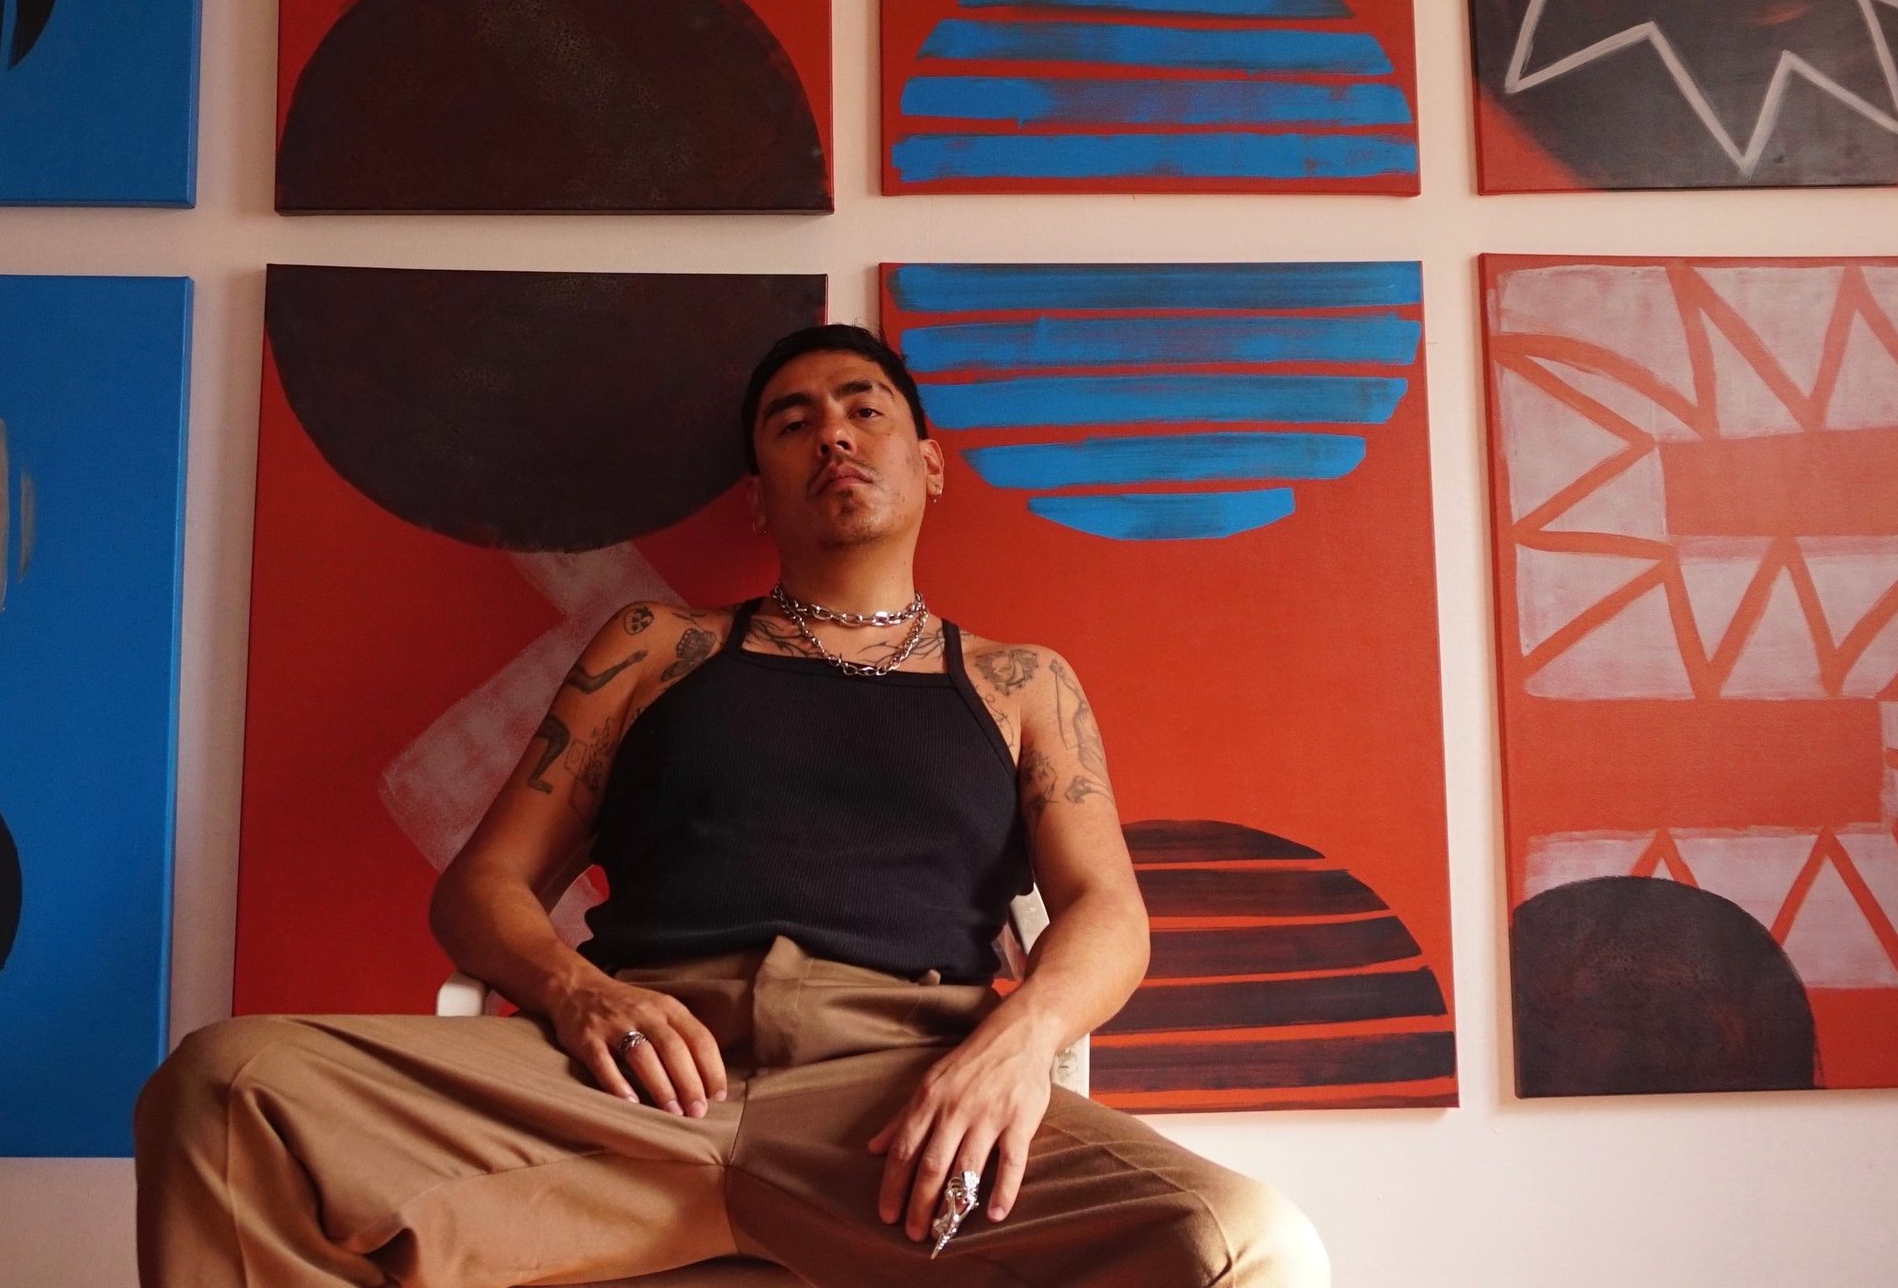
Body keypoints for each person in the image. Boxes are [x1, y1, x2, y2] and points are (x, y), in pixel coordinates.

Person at [135, 324, 1329, 1286]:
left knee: (1240, 1244)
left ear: (930, 464)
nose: (832, 433)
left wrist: (1015, 1050)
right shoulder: (655, 646)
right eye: (791, 421)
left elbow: (1107, 911)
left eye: (864, 408)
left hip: (896, 1101)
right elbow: (482, 887)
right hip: (626, 1082)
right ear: (758, 495)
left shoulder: (1022, 682)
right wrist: (579, 992)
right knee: (228, 1088)